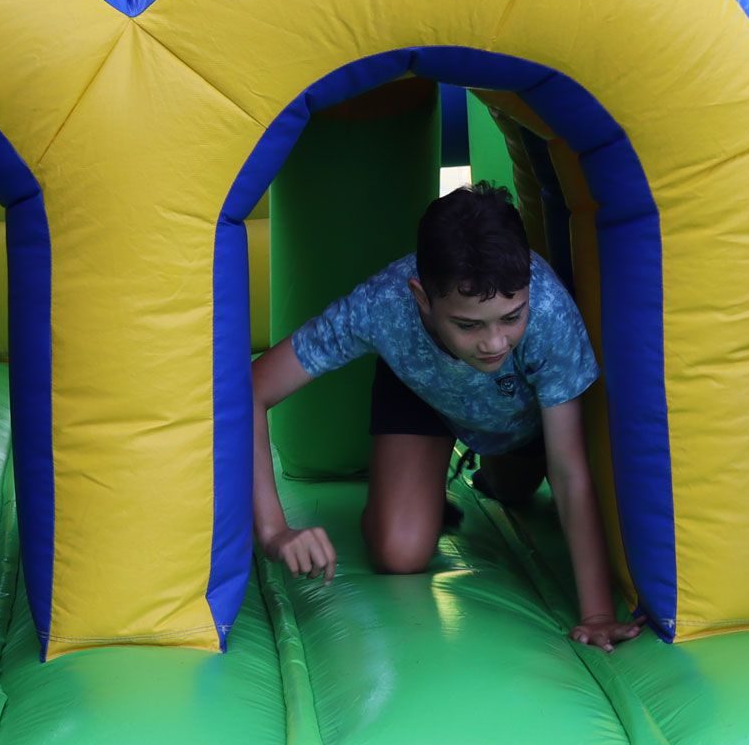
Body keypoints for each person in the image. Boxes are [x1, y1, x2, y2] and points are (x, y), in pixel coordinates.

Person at [248, 183, 637, 651]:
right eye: (468, 324)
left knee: (513, 490)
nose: (493, 342)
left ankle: (491, 469)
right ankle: (416, 490)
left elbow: (569, 470)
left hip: (522, 418)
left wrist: (597, 614)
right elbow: (252, 390)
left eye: (511, 317)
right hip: (425, 395)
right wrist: (274, 531)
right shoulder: (383, 305)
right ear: (422, 298)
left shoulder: (548, 313)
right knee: (399, 552)